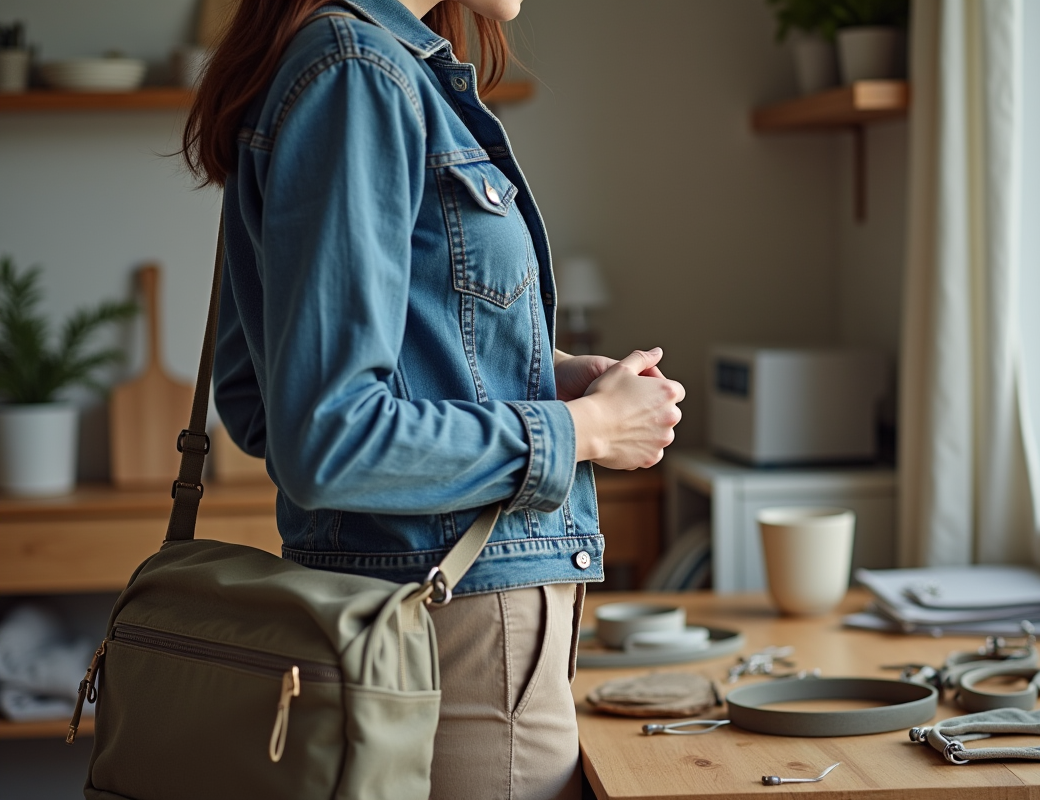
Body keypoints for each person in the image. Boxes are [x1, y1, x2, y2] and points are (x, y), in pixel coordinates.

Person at [182, 1, 685, 798]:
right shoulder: (358, 70)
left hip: (429, 627)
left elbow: (262, 399)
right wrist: (582, 430)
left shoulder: (349, 62)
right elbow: (330, 439)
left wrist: (545, 374)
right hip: (458, 637)